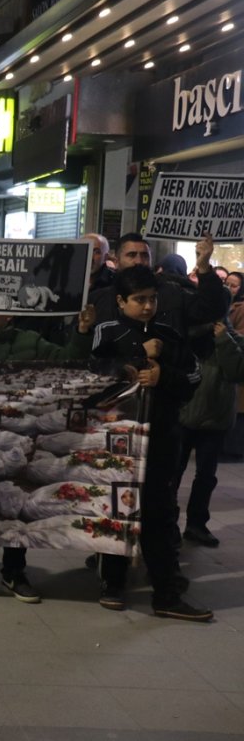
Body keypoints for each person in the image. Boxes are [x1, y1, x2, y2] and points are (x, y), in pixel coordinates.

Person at [0, 301, 97, 602]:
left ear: (10, 313)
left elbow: (69, 362)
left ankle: (14, 571)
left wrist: (82, 331)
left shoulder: (30, 341)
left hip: (18, 434)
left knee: (15, 503)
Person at [90, 265, 212, 621]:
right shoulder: (107, 332)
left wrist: (163, 375)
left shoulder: (170, 334)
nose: (146, 307)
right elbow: (91, 375)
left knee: (159, 512)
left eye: (152, 299)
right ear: (120, 301)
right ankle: (113, 581)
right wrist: (133, 356)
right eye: (139, 300)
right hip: (116, 438)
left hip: (161, 437)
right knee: (115, 507)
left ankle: (166, 591)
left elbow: (192, 376)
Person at [177, 320, 244, 548]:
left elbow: (237, 372)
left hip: (214, 420)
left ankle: (196, 525)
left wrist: (224, 339)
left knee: (206, 476)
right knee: (173, 473)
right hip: (184, 416)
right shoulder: (187, 335)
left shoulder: (234, 340)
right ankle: (167, 524)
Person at [90, 233, 227, 335]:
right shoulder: (100, 298)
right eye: (131, 255)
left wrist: (204, 269)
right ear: (117, 260)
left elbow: (210, 311)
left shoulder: (173, 293)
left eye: (144, 255)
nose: (138, 261)